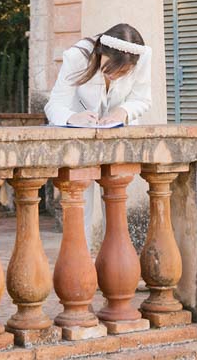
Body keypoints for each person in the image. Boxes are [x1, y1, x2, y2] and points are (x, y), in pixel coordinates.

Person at [44, 23, 151, 243]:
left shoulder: (141, 57)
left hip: (116, 139)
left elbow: (142, 99)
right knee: (80, 202)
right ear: (102, 54)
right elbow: (54, 105)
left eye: (124, 72)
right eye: (113, 69)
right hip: (80, 141)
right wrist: (73, 118)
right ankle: (80, 262)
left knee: (116, 202)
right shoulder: (76, 57)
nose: (117, 76)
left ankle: (114, 263)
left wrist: (123, 111)